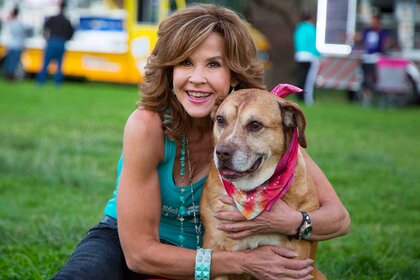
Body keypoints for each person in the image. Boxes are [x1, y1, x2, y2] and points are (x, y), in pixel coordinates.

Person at [53, 4, 350, 280]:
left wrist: (289, 222)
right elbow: (139, 255)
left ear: (233, 73)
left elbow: (338, 218)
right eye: (185, 62)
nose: (197, 78)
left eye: (213, 64)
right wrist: (243, 263)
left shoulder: (262, 134)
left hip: (209, 257)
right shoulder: (146, 126)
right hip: (131, 245)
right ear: (169, 70)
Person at [36, 1, 74, 85]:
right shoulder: (67, 21)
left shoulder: (53, 18)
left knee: (45, 63)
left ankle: (40, 81)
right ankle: (57, 83)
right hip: (62, 42)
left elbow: (44, 28)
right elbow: (71, 33)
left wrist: (46, 38)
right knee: (60, 64)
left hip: (52, 41)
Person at [294, 11, 320, 106]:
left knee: (301, 77)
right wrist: (318, 55)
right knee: (309, 79)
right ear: (310, 19)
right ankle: (308, 99)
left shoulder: (299, 28)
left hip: (300, 55)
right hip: (310, 56)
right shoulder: (312, 28)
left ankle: (299, 96)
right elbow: (313, 44)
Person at [3, 7, 26, 81]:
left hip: (11, 45)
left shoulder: (10, 23)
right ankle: (11, 76)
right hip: (18, 45)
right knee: (14, 62)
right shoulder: (20, 24)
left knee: (9, 61)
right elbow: (23, 35)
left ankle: (7, 75)